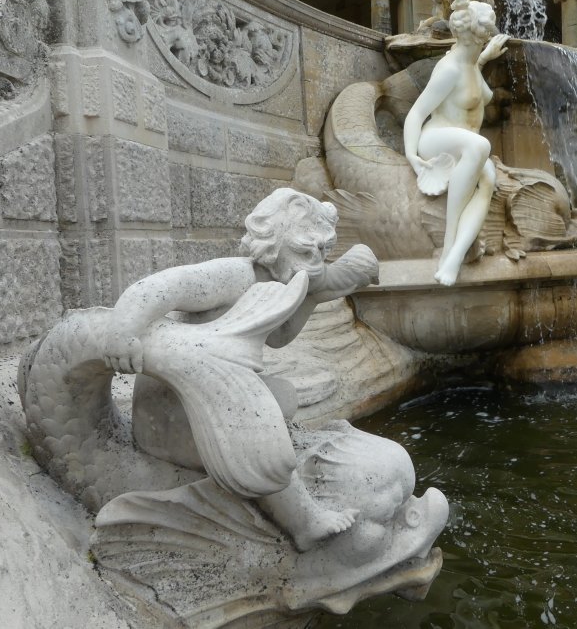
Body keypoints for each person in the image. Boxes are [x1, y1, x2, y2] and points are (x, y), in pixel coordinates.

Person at [102, 188, 379, 550]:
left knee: (282, 396)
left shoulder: (278, 284)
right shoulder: (235, 275)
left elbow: (279, 337)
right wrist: (124, 329)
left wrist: (314, 293)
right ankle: (304, 522)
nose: (315, 263)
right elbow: (164, 286)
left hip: (209, 399)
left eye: (322, 253)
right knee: (257, 429)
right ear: (275, 242)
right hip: (177, 410)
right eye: (306, 251)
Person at [403, 0, 510, 285]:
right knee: (480, 146)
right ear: (476, 36)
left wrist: (486, 57)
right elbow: (416, 113)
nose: (488, 37)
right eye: (486, 34)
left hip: (464, 145)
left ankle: (454, 257)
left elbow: (476, 82)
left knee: (488, 178)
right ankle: (449, 243)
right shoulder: (449, 69)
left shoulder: (472, 64)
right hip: (435, 139)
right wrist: (412, 155)